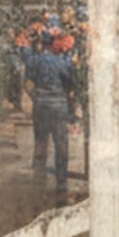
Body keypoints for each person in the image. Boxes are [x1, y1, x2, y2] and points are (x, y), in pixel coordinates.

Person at [25, 34, 77, 190]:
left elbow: (28, 83)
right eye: (59, 41)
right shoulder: (64, 62)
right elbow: (71, 87)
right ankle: (61, 182)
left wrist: (36, 97)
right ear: (53, 44)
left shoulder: (34, 60)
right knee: (61, 145)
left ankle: (38, 181)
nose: (61, 45)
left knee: (40, 143)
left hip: (40, 106)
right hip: (58, 107)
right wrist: (71, 111)